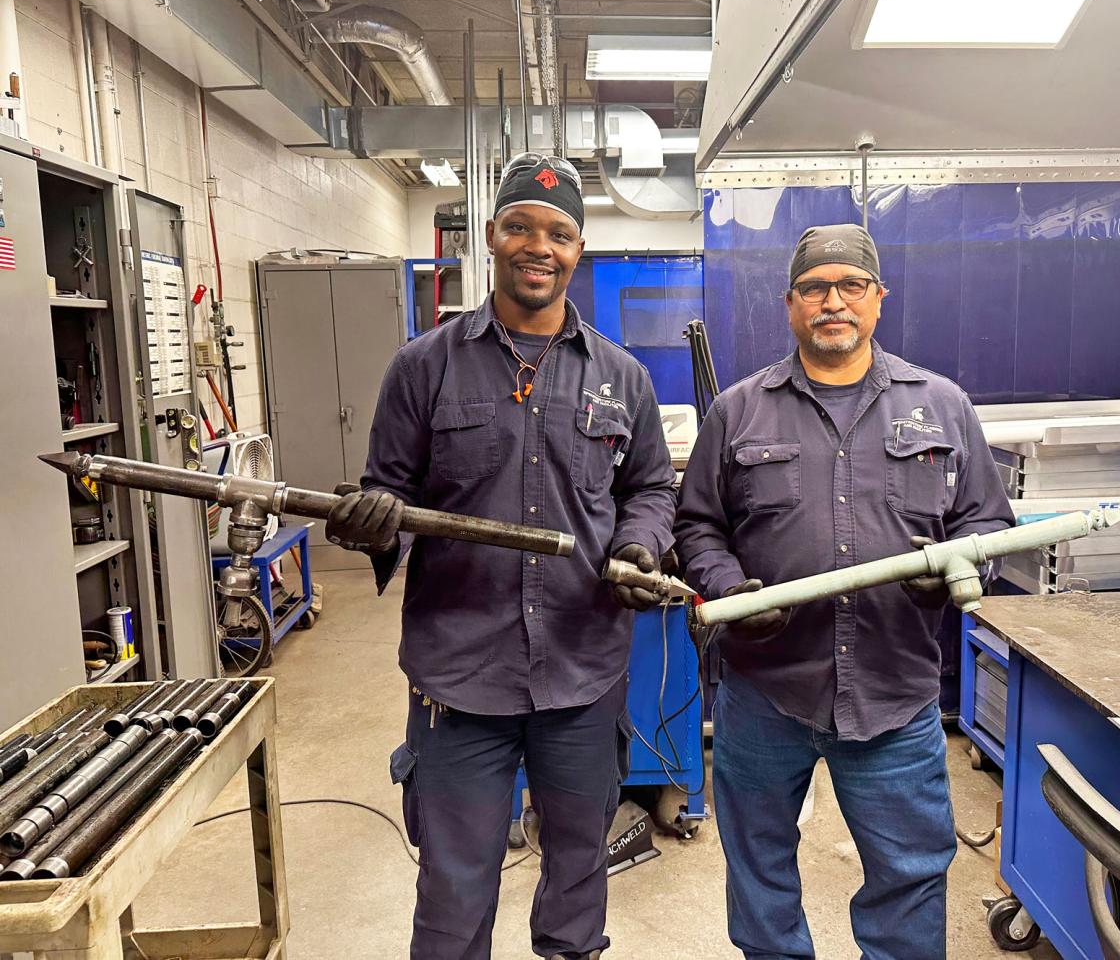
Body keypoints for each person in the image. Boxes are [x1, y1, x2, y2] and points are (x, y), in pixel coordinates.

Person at [324, 153, 677, 960]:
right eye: (520, 225)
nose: (537, 245)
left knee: (579, 874)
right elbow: (391, 494)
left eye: (558, 232)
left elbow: (652, 487)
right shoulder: (423, 367)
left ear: (578, 250)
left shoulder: (623, 377)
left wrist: (636, 543)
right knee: (453, 891)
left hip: (582, 673)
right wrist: (376, 523)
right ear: (491, 236)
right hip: (460, 679)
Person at [674, 223, 1015, 960]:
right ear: (790, 304)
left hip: (895, 691)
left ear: (878, 299)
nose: (834, 301)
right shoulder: (737, 411)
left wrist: (959, 568)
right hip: (766, 691)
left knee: (910, 875)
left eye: (851, 285)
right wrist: (731, 588)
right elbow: (696, 526)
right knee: (760, 874)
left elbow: (987, 518)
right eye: (815, 288)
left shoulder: (943, 405)